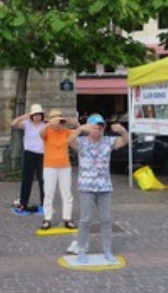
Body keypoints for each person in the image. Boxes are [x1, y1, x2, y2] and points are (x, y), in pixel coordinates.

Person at [68, 114, 129, 263]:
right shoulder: (82, 142)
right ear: (89, 128)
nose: (98, 130)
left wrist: (122, 131)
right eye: (95, 127)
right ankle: (82, 249)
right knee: (85, 219)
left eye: (100, 127)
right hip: (86, 186)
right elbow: (69, 141)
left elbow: (124, 141)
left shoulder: (108, 141)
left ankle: (107, 249)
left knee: (106, 219)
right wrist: (80, 128)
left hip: (104, 186)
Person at [39, 109, 78, 231]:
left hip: (64, 166)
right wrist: (50, 124)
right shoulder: (47, 131)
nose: (58, 122)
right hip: (49, 166)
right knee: (49, 193)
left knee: (66, 193)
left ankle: (67, 218)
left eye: (59, 120)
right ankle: (47, 218)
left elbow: (78, 134)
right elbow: (40, 134)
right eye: (55, 119)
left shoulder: (66, 132)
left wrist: (77, 124)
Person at [11, 103, 45, 213]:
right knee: (27, 179)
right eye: (35, 115)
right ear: (31, 115)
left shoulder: (44, 124)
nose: (37, 117)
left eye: (39, 115)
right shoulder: (27, 124)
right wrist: (22, 117)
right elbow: (13, 124)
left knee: (42, 179)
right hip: (29, 153)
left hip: (41, 154)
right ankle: (23, 201)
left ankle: (44, 201)